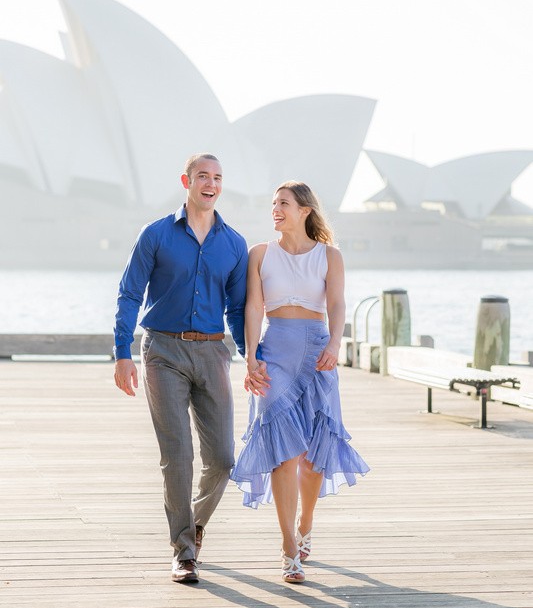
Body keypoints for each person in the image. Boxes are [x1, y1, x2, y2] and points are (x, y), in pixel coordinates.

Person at [113, 153, 265, 584]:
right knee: (177, 455)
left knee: (222, 457)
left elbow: (237, 309)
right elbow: (129, 293)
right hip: (162, 351)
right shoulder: (157, 234)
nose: (210, 184)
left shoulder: (233, 243)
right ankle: (183, 551)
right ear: (187, 180)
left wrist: (252, 355)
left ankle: (194, 525)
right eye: (203, 176)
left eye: (217, 177)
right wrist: (122, 351)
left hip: (213, 352)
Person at [230, 181, 370, 583]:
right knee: (283, 451)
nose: (276, 209)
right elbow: (253, 306)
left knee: (311, 458)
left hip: (316, 349)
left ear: (305, 210)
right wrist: (251, 356)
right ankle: (289, 545)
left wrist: (336, 344)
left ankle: (306, 522)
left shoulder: (330, 256)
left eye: (284, 204)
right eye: (273, 203)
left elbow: (338, 303)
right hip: (275, 352)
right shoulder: (260, 253)